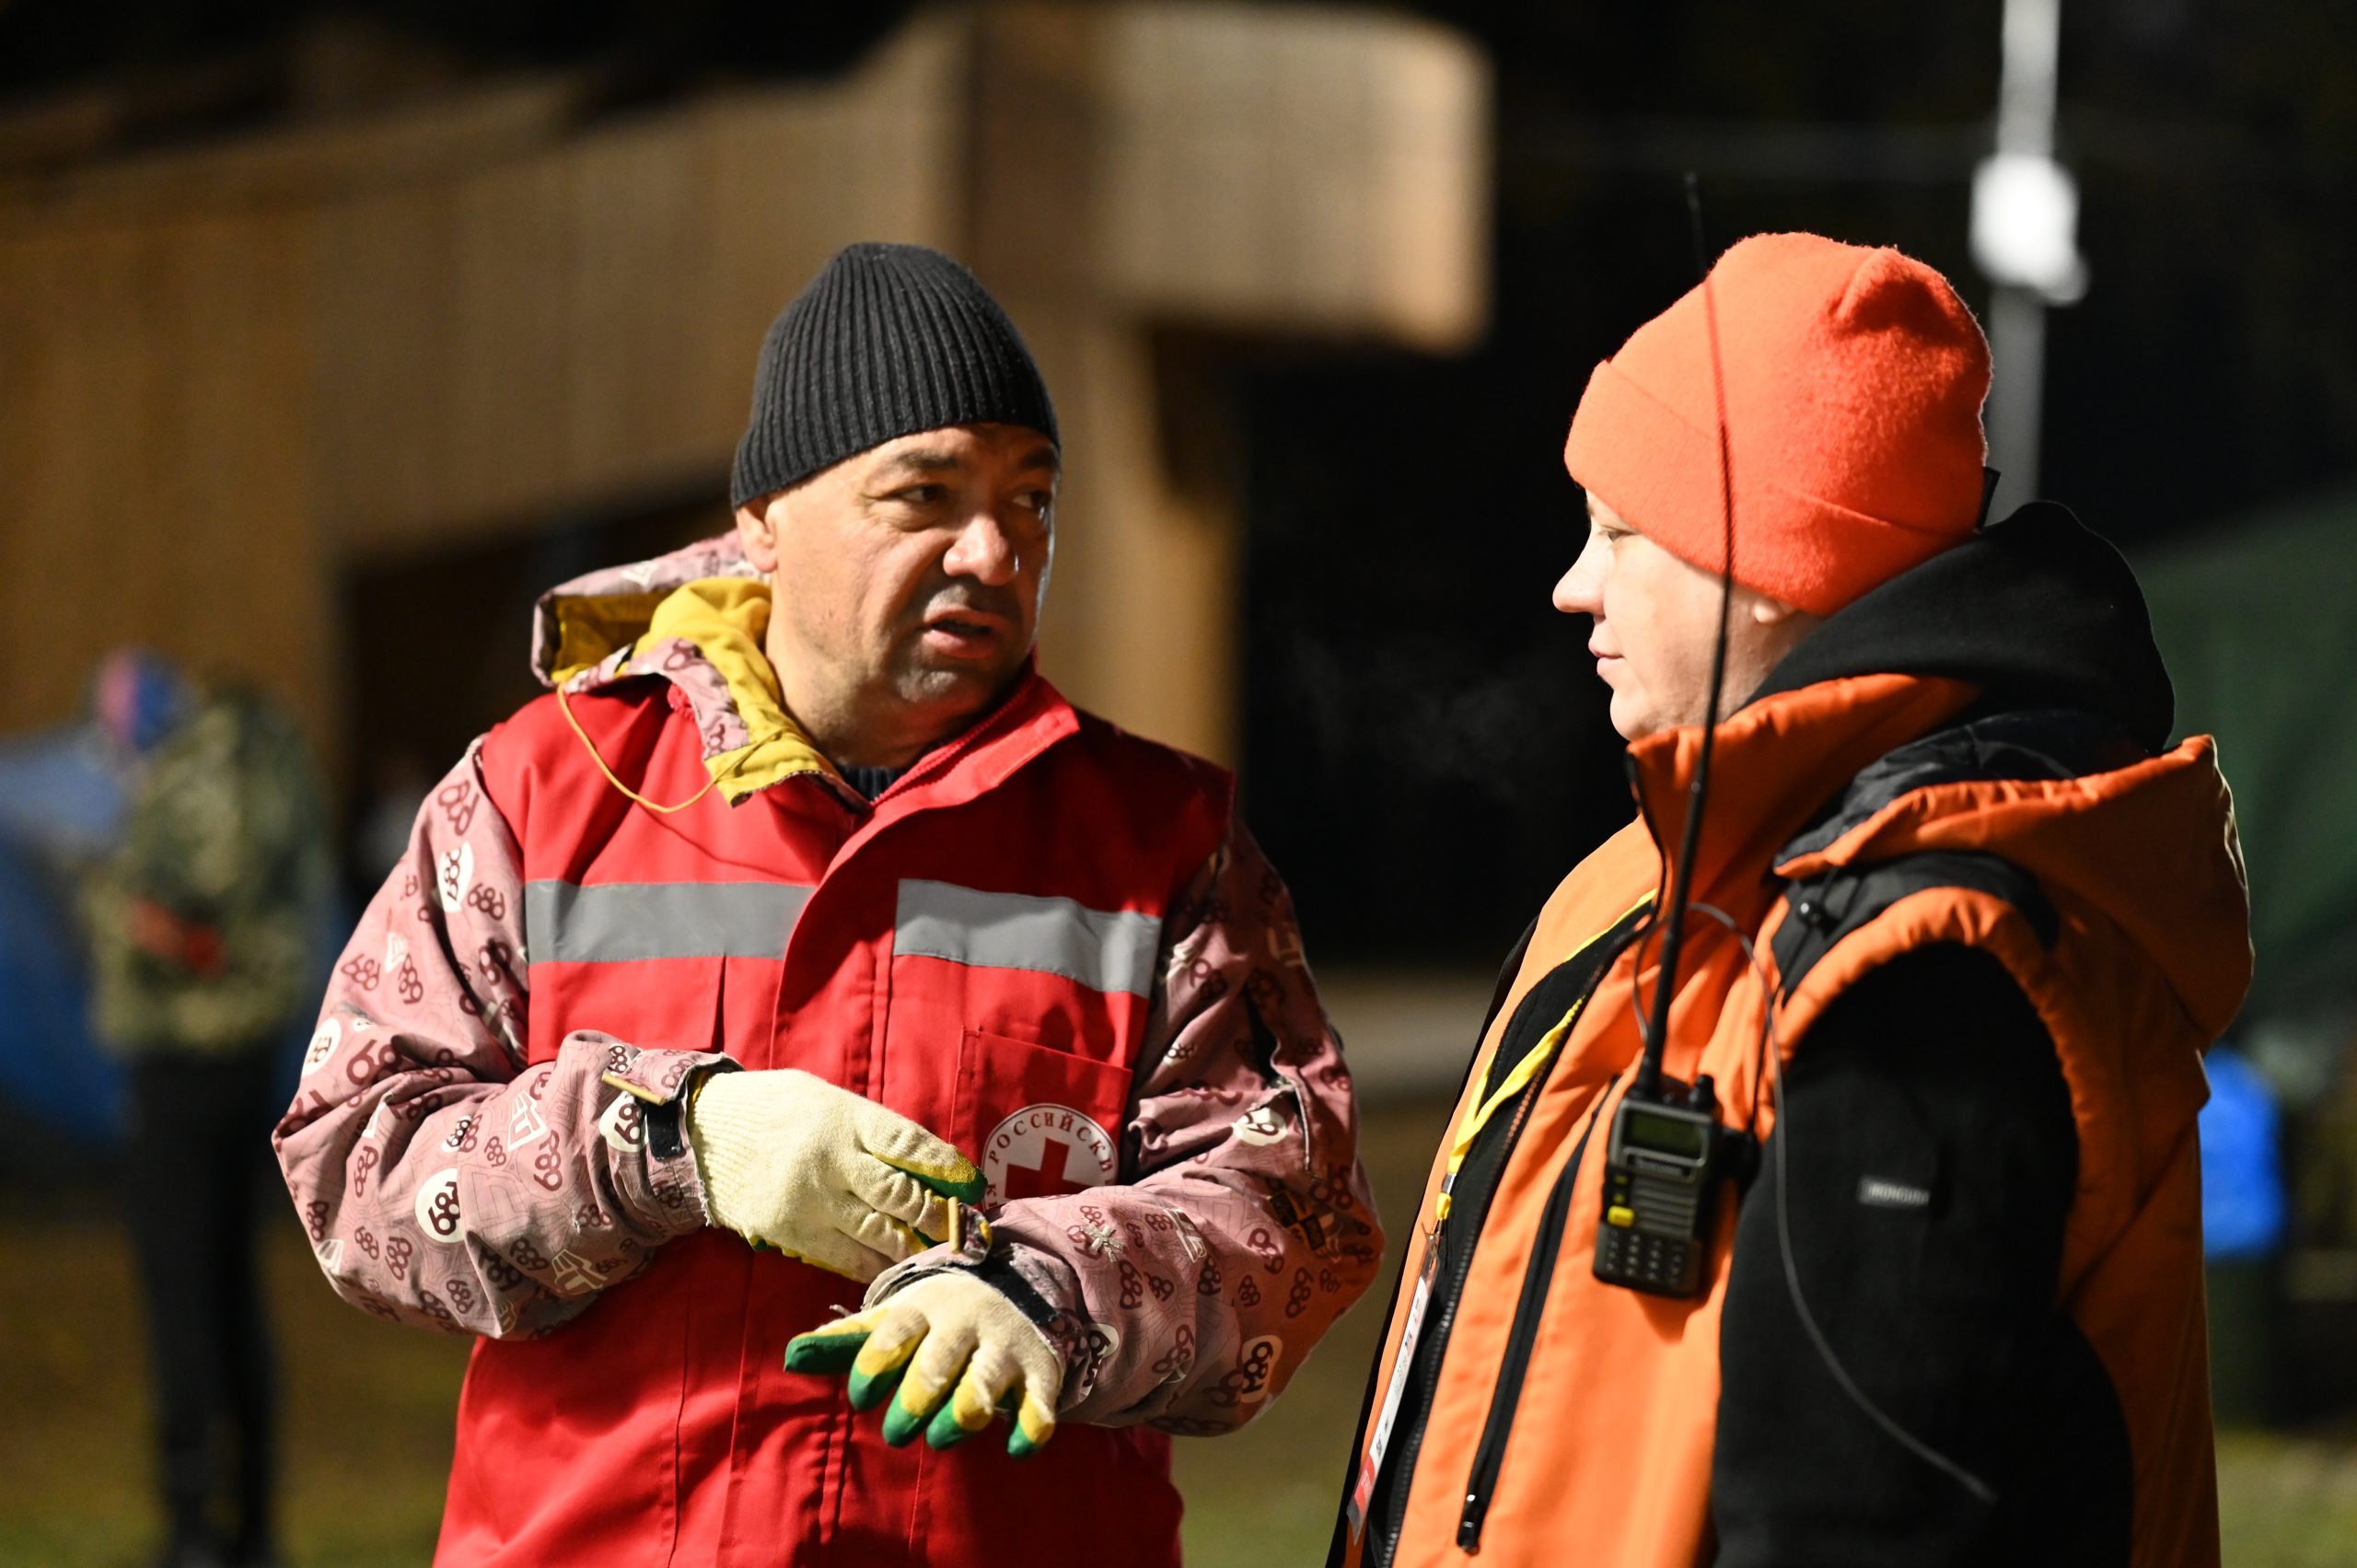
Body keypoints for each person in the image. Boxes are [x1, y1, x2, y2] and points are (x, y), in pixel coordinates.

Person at [275, 242, 1380, 1567]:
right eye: (925, 495)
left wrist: (1051, 1287)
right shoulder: (542, 788)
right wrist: (672, 1143)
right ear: (763, 522)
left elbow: (1294, 1205)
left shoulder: (1163, 843)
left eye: (1031, 500)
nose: (994, 549)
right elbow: (357, 1167)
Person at [1333, 233, 2249, 1567]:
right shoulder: (1635, 874)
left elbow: (1866, 1515)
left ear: (1771, 563)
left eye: (1621, 534)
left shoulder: (1932, 962)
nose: (1571, 587)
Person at [85, 649, 334, 1568]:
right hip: (250, 1051)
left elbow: (195, 928)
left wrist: (120, 908)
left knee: (182, 1292)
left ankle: (194, 1526)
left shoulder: (196, 776)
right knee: (233, 1289)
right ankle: (254, 1522)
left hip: (182, 1057)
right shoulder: (263, 758)